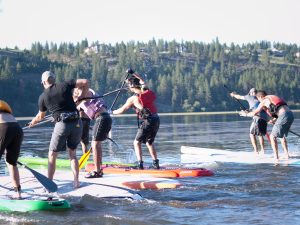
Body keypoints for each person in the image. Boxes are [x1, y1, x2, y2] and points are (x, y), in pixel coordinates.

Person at [29, 71, 88, 188]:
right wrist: (82, 97)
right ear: (54, 79)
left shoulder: (43, 97)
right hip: (77, 123)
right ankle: (76, 182)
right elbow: (85, 82)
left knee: (52, 154)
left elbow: (40, 116)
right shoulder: (65, 85)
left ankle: (49, 183)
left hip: (63, 125)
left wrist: (33, 122)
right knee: (72, 154)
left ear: (44, 82)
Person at [112, 69, 160, 169]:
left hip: (148, 121)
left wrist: (110, 112)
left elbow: (121, 110)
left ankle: (140, 164)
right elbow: (142, 81)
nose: (128, 87)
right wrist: (132, 73)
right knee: (149, 142)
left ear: (132, 86)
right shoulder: (147, 91)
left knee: (136, 142)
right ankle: (156, 163)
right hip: (156, 120)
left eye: (129, 85)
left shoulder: (133, 99)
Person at [241, 91, 294, 161]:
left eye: (258, 99)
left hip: (283, 115)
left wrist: (246, 114)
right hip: (290, 115)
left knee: (272, 137)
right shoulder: (273, 97)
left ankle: (276, 157)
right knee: (281, 136)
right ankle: (287, 155)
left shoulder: (264, 100)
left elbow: (255, 112)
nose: (259, 101)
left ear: (260, 97)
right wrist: (274, 120)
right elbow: (279, 110)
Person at [74, 87, 112, 178]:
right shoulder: (82, 102)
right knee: (97, 144)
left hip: (102, 118)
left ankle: (97, 171)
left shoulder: (88, 93)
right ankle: (99, 169)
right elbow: (76, 108)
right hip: (105, 118)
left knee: (94, 145)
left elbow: (86, 95)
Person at [230, 88, 269, 154]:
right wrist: (249, 110)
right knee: (260, 134)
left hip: (257, 117)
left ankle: (256, 151)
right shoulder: (260, 98)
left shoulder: (249, 96)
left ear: (251, 93)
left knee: (252, 134)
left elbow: (239, 97)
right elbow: (256, 107)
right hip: (265, 117)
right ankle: (263, 150)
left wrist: (233, 95)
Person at [0, 100, 23, 199]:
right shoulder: (3, 104)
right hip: (16, 128)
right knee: (11, 162)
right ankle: (18, 193)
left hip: (3, 127)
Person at [73, 88, 91, 154]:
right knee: (83, 142)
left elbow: (77, 108)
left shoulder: (82, 99)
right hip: (84, 121)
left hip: (82, 121)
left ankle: (83, 158)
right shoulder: (82, 98)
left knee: (82, 142)